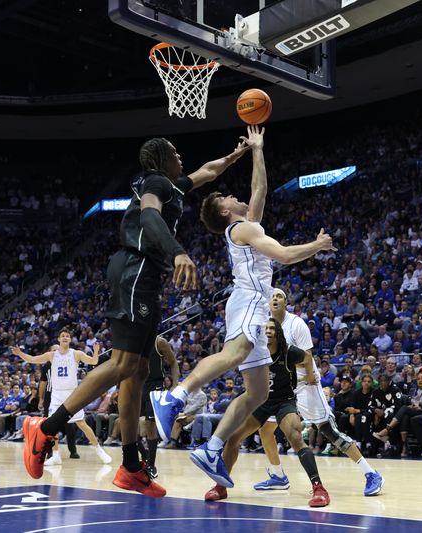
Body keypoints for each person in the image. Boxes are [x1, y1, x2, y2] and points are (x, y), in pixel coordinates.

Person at [20, 133, 249, 497]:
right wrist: (177, 251)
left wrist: (236, 156)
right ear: (160, 159)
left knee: (139, 371)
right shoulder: (155, 183)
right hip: (135, 270)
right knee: (124, 364)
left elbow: (208, 171)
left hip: (147, 277)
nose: (181, 155)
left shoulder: (173, 185)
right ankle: (46, 428)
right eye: (175, 151)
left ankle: (129, 466)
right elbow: (150, 217)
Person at [151, 126, 336, 489]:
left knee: (259, 393)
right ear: (224, 209)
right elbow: (283, 255)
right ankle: (174, 396)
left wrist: (258, 149)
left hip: (250, 304)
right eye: (228, 196)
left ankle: (212, 447)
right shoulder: (241, 230)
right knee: (236, 351)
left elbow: (260, 189)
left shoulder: (246, 225)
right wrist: (317, 245)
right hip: (250, 300)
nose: (235, 196)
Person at [254, 289, 383, 497]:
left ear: (286, 301)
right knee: (265, 430)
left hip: (306, 384)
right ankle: (278, 476)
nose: (275, 299)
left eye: (280, 296)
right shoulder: (266, 327)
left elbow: (306, 356)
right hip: (283, 387)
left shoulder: (296, 324)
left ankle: (371, 473)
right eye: (272, 296)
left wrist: (311, 377)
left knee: (327, 430)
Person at [202, 319, 330, 506]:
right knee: (233, 438)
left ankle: (319, 488)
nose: (268, 331)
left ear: (278, 332)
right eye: (265, 328)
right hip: (261, 401)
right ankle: (220, 486)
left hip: (284, 401)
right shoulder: (254, 352)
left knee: (295, 437)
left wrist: (310, 375)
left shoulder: (289, 352)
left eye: (271, 328)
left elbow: (308, 358)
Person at [13, 329, 111, 466]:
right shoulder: (52, 355)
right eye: (63, 336)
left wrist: (96, 351)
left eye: (67, 336)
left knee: (81, 423)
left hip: (72, 394)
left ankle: (100, 451)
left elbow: (94, 361)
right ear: (59, 340)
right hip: (56, 395)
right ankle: (56, 455)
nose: (65, 337)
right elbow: (33, 360)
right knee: (52, 425)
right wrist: (20, 354)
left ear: (70, 340)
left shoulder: (76, 354)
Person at [138, 336, 180, 479]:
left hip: (155, 385)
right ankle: (145, 456)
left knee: (150, 424)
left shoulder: (159, 342)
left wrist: (174, 385)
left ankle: (151, 464)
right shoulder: (131, 339)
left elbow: (173, 362)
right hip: (137, 384)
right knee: (128, 426)